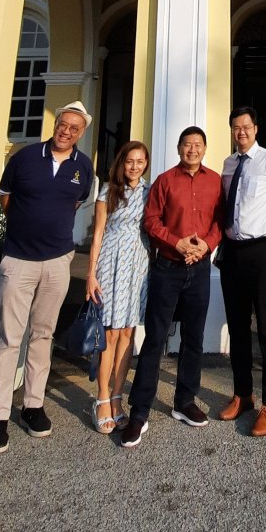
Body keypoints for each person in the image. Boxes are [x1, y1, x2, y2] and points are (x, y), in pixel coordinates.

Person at [0, 101, 94, 454]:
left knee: (43, 335)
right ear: (56, 123)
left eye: (74, 128)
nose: (66, 131)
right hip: (20, 260)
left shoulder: (83, 167)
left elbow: (76, 202)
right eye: (63, 124)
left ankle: (33, 405)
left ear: (82, 133)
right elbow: (6, 200)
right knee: (9, 339)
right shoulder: (25, 158)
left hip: (58, 261)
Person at [121, 127, 223, 448]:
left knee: (193, 338)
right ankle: (139, 412)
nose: (192, 149)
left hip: (200, 268)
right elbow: (151, 221)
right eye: (187, 144)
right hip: (167, 268)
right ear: (179, 148)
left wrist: (205, 245)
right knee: (155, 337)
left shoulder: (215, 181)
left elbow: (220, 221)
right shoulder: (165, 180)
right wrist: (176, 243)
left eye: (198, 145)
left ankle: (184, 401)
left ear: (205, 148)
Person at [218, 105, 266, 437]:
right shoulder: (228, 164)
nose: (241, 132)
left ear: (255, 129)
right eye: (236, 127)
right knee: (237, 326)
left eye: (246, 126)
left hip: (261, 250)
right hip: (232, 252)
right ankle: (243, 394)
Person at [86, 140, 151, 433]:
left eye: (140, 161)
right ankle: (101, 396)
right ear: (121, 163)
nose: (135, 166)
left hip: (139, 264)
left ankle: (117, 396)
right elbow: (98, 234)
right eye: (130, 161)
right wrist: (90, 273)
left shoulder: (150, 192)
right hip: (111, 263)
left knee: (128, 332)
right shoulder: (107, 192)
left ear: (145, 164)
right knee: (109, 334)